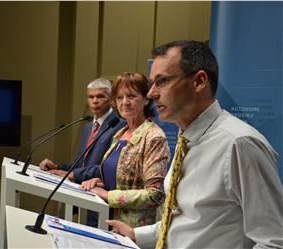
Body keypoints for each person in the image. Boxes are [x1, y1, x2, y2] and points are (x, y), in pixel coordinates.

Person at [106, 40, 283, 249]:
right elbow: (188, 224)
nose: (152, 93)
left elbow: (274, 241)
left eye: (162, 82)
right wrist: (136, 234)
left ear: (199, 81)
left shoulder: (239, 144)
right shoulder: (186, 140)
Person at [81, 72, 170, 228]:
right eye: (119, 97)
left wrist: (108, 195)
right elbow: (120, 178)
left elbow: (154, 194)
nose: (125, 102)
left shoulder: (154, 137)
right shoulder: (120, 133)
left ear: (146, 99)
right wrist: (100, 182)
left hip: (132, 229)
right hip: (104, 221)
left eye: (131, 96)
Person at [39, 78, 125, 227]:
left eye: (100, 96)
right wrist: (58, 167)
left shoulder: (119, 125)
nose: (95, 101)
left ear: (111, 99)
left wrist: (73, 174)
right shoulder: (88, 127)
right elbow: (80, 165)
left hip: (102, 202)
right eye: (91, 97)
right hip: (83, 198)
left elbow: (108, 168)